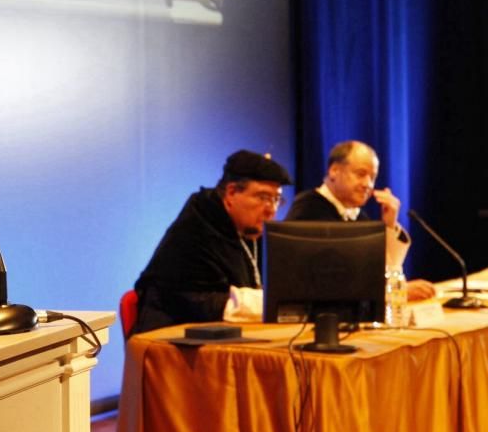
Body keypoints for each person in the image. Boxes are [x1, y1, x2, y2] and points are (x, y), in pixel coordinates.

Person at [131, 150, 292, 335]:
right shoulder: (197, 228)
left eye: (276, 199)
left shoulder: (248, 230)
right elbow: (202, 303)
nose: (271, 209)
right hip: (173, 343)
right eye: (263, 197)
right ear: (231, 193)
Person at [285, 140, 435, 300]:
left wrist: (389, 225)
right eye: (361, 174)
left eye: (373, 177)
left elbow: (382, 270)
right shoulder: (308, 209)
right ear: (334, 170)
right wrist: (395, 291)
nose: (368, 184)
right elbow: (329, 283)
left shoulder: (358, 216)